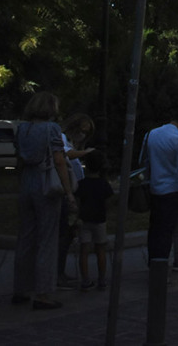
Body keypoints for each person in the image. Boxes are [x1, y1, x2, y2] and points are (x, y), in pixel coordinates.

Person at [13, 92, 76, 310]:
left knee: (25, 237)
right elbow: (59, 161)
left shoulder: (22, 128)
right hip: (45, 182)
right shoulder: (51, 129)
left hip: (26, 182)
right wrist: (68, 192)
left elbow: (19, 158)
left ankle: (20, 288)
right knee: (47, 239)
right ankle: (43, 293)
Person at [143, 106, 178, 270]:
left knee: (155, 230)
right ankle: (161, 268)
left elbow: (145, 162)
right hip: (172, 191)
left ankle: (153, 263)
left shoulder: (152, 134)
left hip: (155, 188)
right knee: (167, 232)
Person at [57, 113, 95, 289]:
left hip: (75, 192)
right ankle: (58, 273)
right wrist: (86, 153)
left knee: (69, 233)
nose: (83, 135)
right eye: (82, 131)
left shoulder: (71, 142)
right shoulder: (63, 139)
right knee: (64, 233)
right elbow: (67, 155)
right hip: (67, 194)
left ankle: (60, 271)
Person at [74, 150, 113, 291]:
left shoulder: (81, 184)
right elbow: (108, 203)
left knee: (84, 250)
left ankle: (85, 280)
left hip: (84, 220)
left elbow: (78, 202)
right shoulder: (104, 184)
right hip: (99, 219)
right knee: (100, 249)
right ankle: (101, 279)